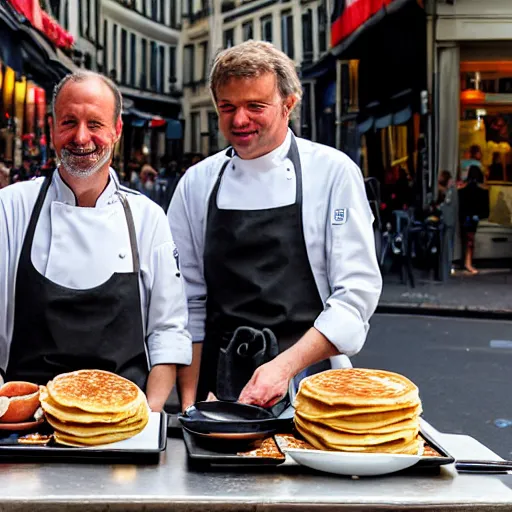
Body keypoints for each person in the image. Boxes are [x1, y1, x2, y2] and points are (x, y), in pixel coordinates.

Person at [168, 41, 382, 410]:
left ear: (289, 105)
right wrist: (190, 405)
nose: (239, 120)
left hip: (309, 382)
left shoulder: (333, 173)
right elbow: (186, 301)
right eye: (228, 108)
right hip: (216, 385)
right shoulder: (196, 183)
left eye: (255, 106)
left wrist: (283, 368)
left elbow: (355, 296)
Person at [0, 71, 192, 411]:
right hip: (28, 425)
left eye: (95, 124)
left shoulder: (147, 219)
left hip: (123, 428)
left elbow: (168, 333)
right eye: (69, 122)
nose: (81, 137)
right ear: (51, 128)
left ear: (116, 131)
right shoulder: (11, 208)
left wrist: (149, 415)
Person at [458, 165, 490, 275]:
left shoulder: (462, 190)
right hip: (474, 217)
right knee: (470, 241)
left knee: (466, 240)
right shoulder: (482, 191)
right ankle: (468, 263)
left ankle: (466, 262)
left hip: (465, 217)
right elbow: (485, 210)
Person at [437, 170, 457, 280]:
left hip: (448, 223)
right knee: (446, 248)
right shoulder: (450, 190)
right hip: (449, 222)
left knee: (446, 248)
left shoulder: (451, 191)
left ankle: (445, 274)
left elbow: (446, 206)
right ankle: (445, 273)